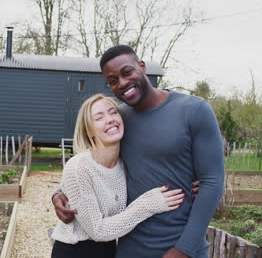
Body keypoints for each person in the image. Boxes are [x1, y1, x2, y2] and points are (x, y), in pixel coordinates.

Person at [53, 45, 224, 258]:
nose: (123, 83)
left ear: (142, 67)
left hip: (182, 247)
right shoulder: (119, 119)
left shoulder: (194, 110)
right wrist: (60, 194)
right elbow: (94, 166)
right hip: (130, 249)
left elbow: (212, 182)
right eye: (113, 81)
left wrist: (184, 250)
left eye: (127, 72)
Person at [51, 94, 186, 258]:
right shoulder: (79, 166)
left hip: (109, 250)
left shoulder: (126, 164)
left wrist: (191, 181)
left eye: (113, 112)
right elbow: (98, 231)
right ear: (89, 131)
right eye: (99, 117)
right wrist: (147, 205)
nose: (110, 119)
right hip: (75, 251)